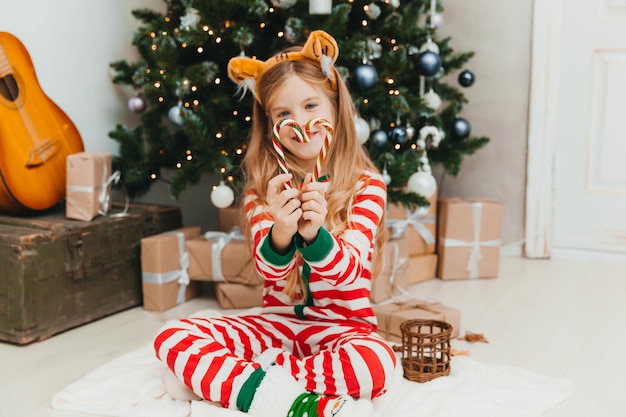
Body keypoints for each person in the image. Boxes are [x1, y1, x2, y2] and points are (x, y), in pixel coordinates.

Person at [153, 30, 397, 417]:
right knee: (172, 335)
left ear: (335, 108)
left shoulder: (366, 188)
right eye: (283, 114)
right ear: (269, 125)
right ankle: (298, 402)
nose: (300, 122)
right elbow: (270, 271)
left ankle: (245, 385)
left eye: (311, 105)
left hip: (343, 330)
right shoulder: (260, 193)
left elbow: (349, 273)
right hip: (276, 327)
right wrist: (282, 230)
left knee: (378, 362)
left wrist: (315, 235)